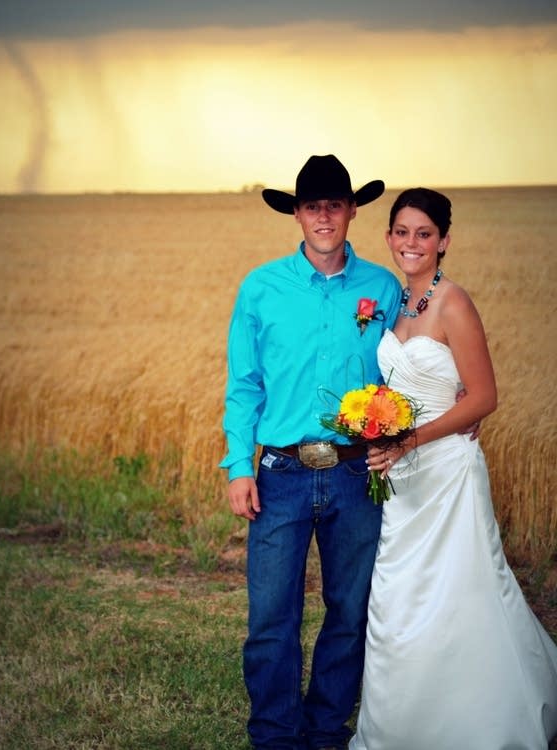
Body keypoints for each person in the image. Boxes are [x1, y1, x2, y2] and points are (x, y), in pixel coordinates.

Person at [349, 187, 557, 750]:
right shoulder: (393, 302)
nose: (411, 243)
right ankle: (401, 727)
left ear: (443, 241)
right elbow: (402, 382)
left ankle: (479, 721)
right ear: (388, 237)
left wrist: (412, 439)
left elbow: (484, 396)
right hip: (403, 478)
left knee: (460, 592)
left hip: (446, 472)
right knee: (397, 596)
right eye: (401, 232)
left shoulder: (454, 303)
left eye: (424, 234)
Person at [219, 154, 403, 750]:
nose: (324, 216)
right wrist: (239, 465)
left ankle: (326, 732)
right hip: (280, 475)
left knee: (350, 614)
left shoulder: (382, 289)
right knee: (272, 619)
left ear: (352, 211)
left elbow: (409, 369)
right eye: (312, 206)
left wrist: (454, 408)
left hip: (356, 474)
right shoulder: (260, 288)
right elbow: (245, 385)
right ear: (296, 214)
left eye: (335, 204)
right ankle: (274, 736)